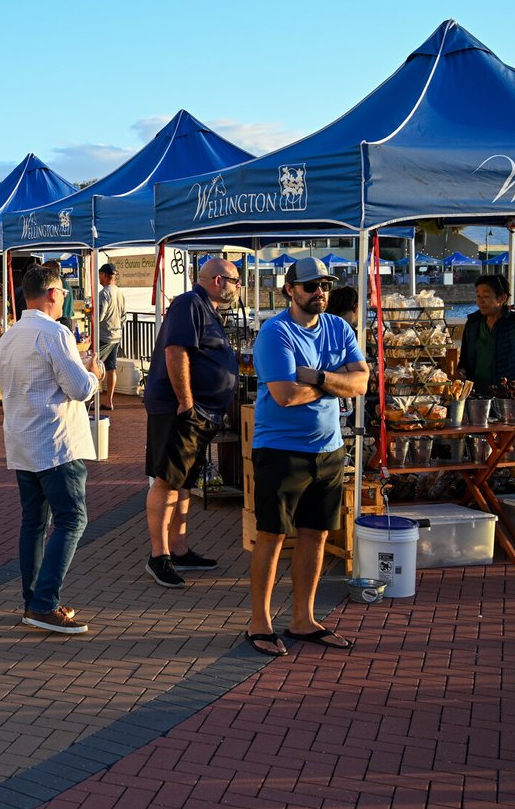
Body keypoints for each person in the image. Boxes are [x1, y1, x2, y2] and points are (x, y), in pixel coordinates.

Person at [246, 258, 369, 657]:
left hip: (329, 450)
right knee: (273, 536)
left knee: (316, 534)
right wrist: (338, 383)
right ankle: (259, 623)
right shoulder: (275, 332)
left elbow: (363, 381)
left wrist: (315, 376)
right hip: (281, 451)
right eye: (311, 285)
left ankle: (303, 619)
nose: (320, 292)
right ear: (290, 290)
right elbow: (285, 395)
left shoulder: (339, 327)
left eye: (325, 286)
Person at [0, 265, 101, 635]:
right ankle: (43, 603)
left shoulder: (9, 337)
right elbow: (79, 388)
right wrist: (93, 373)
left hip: (23, 440)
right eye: (63, 293)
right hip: (55, 442)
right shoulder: (55, 333)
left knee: (34, 523)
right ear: (53, 294)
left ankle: (34, 599)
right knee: (72, 519)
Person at [140, 258, 239, 588]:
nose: (238, 288)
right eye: (235, 281)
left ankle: (178, 549)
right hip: (179, 410)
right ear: (217, 280)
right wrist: (186, 401)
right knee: (167, 480)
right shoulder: (189, 304)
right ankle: (159, 555)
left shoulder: (205, 307)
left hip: (198, 411)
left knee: (183, 482)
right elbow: (176, 352)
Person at [456, 273, 515, 395]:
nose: (480, 301)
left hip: (512, 396)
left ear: (502, 298)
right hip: (477, 395)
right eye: (478, 295)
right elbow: (464, 358)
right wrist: (461, 371)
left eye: (485, 296)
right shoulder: (472, 324)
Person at [94, 263, 125, 410]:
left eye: (100, 274)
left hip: (104, 336)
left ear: (105, 275)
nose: (99, 277)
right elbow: (124, 315)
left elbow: (99, 316)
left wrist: (89, 313)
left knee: (92, 366)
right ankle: (109, 400)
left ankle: (93, 398)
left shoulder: (104, 293)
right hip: (117, 334)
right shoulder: (119, 292)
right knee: (111, 368)